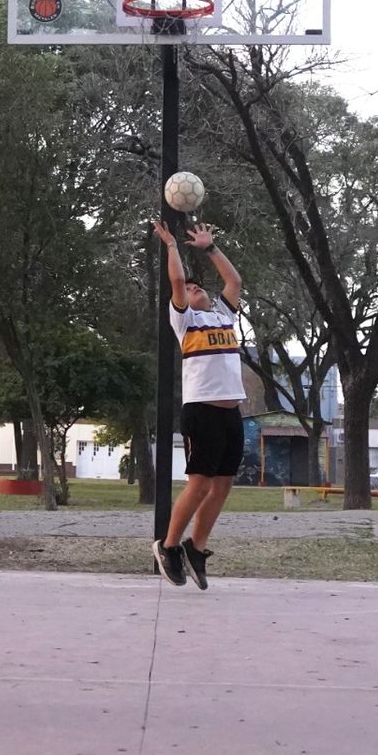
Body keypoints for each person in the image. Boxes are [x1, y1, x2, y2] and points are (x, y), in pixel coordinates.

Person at [150, 219, 244, 590]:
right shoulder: (185, 321)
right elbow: (176, 282)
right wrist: (172, 246)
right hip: (202, 410)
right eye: (189, 288)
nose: (193, 288)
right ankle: (169, 546)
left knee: (223, 486)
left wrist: (210, 247)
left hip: (230, 412)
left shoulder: (223, 314)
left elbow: (234, 282)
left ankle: (196, 547)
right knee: (200, 484)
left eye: (197, 285)